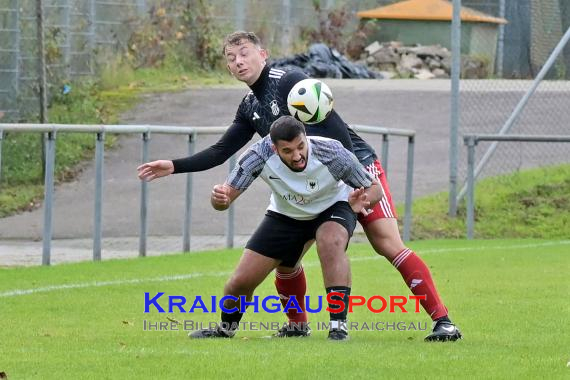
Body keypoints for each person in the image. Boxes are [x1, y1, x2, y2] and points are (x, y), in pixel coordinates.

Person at [137, 31, 461, 342]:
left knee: (387, 243)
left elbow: (336, 133)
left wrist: (356, 182)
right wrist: (175, 165)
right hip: (310, 181)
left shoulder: (289, 80)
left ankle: (443, 321)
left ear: (262, 54)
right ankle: (297, 326)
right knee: (286, 258)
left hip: (355, 167)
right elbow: (222, 151)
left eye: (245, 53)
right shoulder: (250, 106)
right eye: (231, 57)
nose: (238, 61)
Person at [189, 115, 381, 340]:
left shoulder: (332, 153)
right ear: (274, 148)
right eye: (288, 151)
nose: (297, 155)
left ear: (305, 138)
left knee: (331, 241)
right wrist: (219, 200)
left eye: (301, 146)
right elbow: (225, 198)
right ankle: (225, 330)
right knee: (240, 282)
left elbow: (374, 188)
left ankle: (338, 327)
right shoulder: (258, 155)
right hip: (286, 214)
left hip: (333, 205)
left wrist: (363, 199)